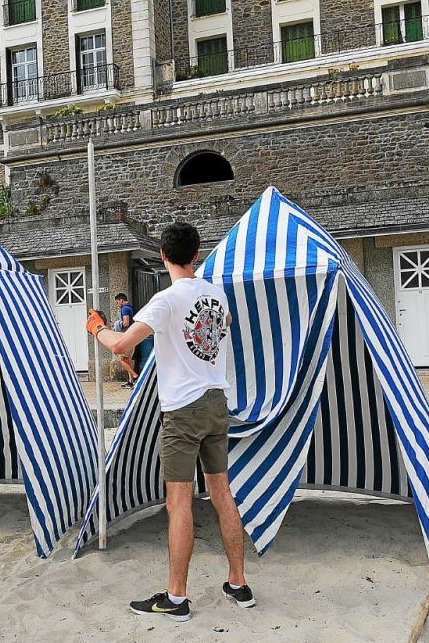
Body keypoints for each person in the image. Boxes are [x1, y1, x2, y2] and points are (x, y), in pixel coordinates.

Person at [85, 222, 254, 622]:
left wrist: (98, 327)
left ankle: (176, 599)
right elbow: (219, 329)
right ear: (196, 255)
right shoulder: (217, 295)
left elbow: (121, 344)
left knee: (178, 501)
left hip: (183, 410)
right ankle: (238, 583)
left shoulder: (165, 300)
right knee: (221, 493)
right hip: (217, 402)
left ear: (163, 256)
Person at [113, 292, 138, 388]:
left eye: (117, 302)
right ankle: (130, 381)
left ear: (121, 300)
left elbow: (126, 323)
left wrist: (117, 324)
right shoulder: (130, 308)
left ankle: (135, 377)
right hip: (132, 336)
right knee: (128, 360)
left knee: (121, 359)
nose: (117, 304)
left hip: (127, 337)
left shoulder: (125, 309)